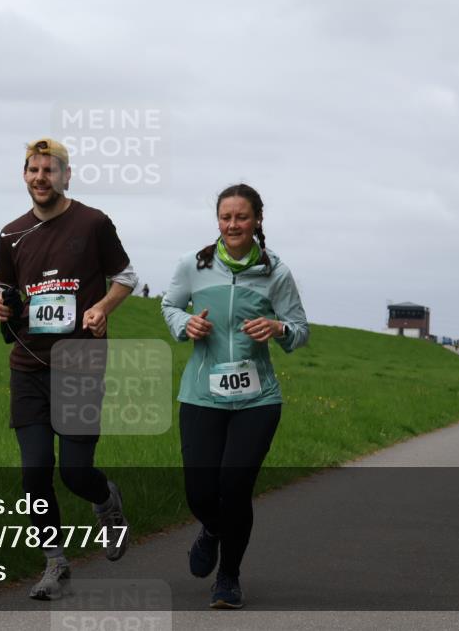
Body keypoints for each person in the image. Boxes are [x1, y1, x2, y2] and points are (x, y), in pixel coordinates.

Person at [0, 138, 139, 600]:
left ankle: (105, 500)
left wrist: (102, 308)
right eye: (33, 170)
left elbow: (127, 276)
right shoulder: (10, 234)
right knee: (35, 472)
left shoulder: (93, 223)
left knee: (75, 472)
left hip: (80, 362)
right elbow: (4, 288)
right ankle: (54, 563)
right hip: (28, 365)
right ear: (24, 175)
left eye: (49, 170)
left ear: (66, 176)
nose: (41, 178)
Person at [161, 183, 309, 609]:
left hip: (257, 399)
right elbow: (169, 306)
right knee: (200, 491)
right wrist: (186, 324)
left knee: (236, 485)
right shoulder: (193, 265)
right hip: (201, 394)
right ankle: (211, 529)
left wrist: (278, 329)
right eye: (226, 217)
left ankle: (228, 576)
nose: (233, 225)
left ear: (258, 220)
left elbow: (300, 329)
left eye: (241, 217)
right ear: (218, 221)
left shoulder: (275, 272)